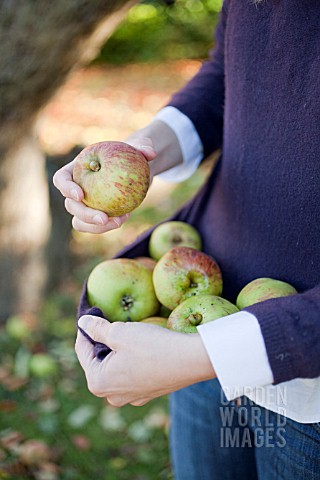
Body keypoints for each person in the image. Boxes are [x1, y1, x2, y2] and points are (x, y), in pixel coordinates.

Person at [53, 0, 320, 478]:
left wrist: (209, 354)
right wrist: (140, 155)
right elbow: (233, 69)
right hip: (196, 318)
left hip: (304, 381)